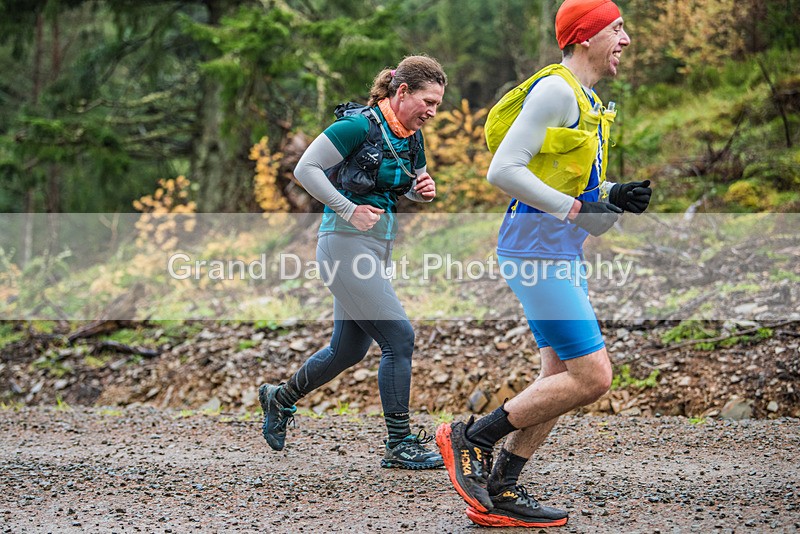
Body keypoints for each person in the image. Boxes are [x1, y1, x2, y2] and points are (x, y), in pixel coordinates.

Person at [436, 0, 652, 528]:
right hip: (536, 252)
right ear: (586, 37)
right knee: (593, 377)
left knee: (557, 376)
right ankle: (471, 438)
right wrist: (579, 208)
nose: (625, 40)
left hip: (557, 250)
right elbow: (503, 170)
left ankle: (503, 489)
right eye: (617, 29)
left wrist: (611, 193)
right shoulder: (556, 90)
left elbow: (558, 178)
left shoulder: (587, 99)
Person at [259, 55, 447, 470]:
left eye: (437, 104)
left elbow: (409, 185)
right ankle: (399, 444)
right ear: (402, 92)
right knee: (399, 338)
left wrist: (423, 191)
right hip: (344, 246)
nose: (432, 112)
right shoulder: (357, 125)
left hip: (376, 248)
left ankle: (280, 398)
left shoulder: (412, 135)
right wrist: (347, 209)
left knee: (347, 350)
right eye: (428, 101)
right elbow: (305, 169)